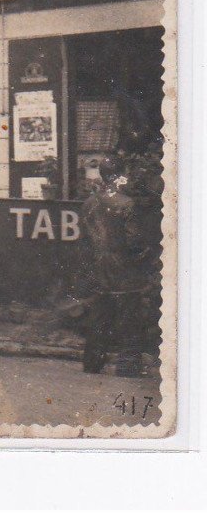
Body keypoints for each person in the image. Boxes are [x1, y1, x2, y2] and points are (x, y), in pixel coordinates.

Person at [80, 155, 147, 376]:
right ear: (120, 175)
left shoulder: (90, 203)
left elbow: (85, 240)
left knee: (99, 317)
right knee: (129, 319)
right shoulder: (127, 203)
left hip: (98, 268)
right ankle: (128, 366)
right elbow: (134, 241)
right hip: (124, 270)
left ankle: (92, 362)